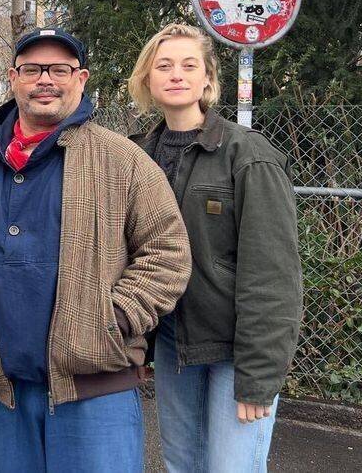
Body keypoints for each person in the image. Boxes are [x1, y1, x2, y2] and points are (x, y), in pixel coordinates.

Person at [0, 28, 191, 472]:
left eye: (60, 70)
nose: (45, 79)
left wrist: (112, 319)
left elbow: (167, 252)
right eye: (32, 69)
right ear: (14, 78)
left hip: (95, 395)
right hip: (6, 395)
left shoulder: (122, 160)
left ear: (81, 79)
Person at [127, 23, 302, 473]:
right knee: (181, 464)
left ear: (208, 78)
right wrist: (135, 344)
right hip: (173, 344)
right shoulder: (136, 157)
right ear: (147, 78)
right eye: (164, 66)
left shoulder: (248, 155)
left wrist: (259, 376)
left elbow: (272, 274)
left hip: (234, 349)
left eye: (190, 65)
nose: (176, 74)